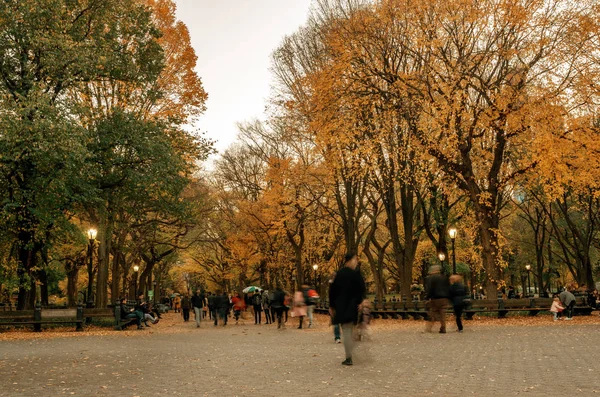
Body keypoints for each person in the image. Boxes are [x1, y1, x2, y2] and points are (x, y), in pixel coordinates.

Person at [329, 252, 366, 366]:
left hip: (341, 307)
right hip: (353, 306)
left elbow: (332, 291)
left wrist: (332, 306)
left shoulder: (338, 274)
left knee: (346, 331)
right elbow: (362, 289)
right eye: (355, 259)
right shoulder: (356, 274)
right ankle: (350, 353)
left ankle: (348, 357)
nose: (356, 262)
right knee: (349, 330)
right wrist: (361, 302)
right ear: (349, 260)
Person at [425, 265, 450, 333]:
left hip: (436, 298)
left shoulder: (431, 278)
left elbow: (430, 288)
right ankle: (443, 327)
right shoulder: (444, 277)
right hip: (444, 298)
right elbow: (448, 287)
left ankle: (428, 328)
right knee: (442, 313)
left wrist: (428, 298)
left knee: (432, 312)